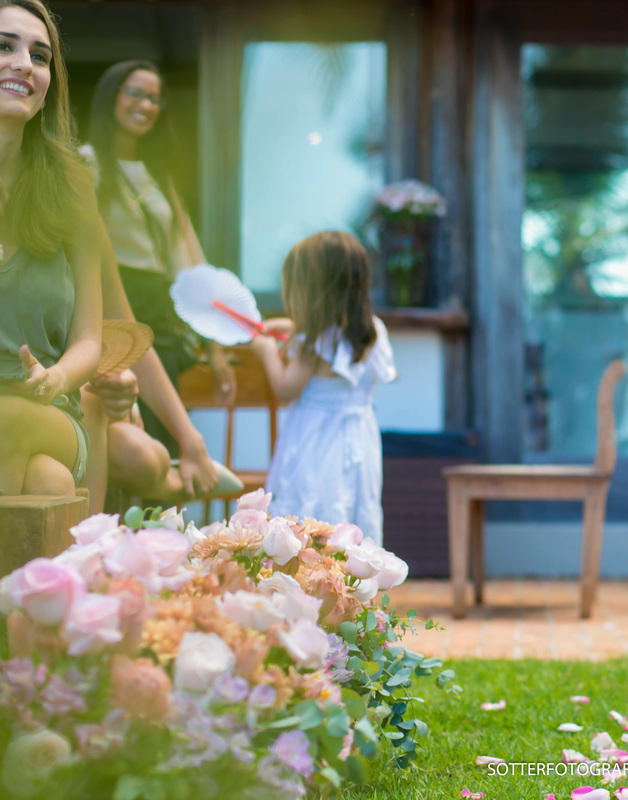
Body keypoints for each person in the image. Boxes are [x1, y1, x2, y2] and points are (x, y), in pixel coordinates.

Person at [81, 59, 235, 462]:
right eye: (135, 92)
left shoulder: (159, 176)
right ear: (110, 96)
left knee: (164, 439)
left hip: (160, 315)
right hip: (109, 311)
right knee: (121, 437)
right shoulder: (84, 163)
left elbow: (189, 264)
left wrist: (215, 349)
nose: (146, 105)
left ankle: (156, 527)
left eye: (155, 99)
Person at [0, 0, 103, 496]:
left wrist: (58, 378)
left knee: (9, 419)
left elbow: (89, 339)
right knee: (48, 481)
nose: (24, 63)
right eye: (4, 47)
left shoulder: (72, 187)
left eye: (39, 56)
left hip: (47, 411)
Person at [251, 231, 397, 544]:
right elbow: (337, 343)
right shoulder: (372, 331)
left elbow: (285, 388)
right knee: (349, 514)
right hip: (357, 443)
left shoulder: (311, 343)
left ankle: (305, 580)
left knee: (309, 509)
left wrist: (264, 351)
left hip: (314, 442)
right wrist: (294, 329)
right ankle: (351, 581)